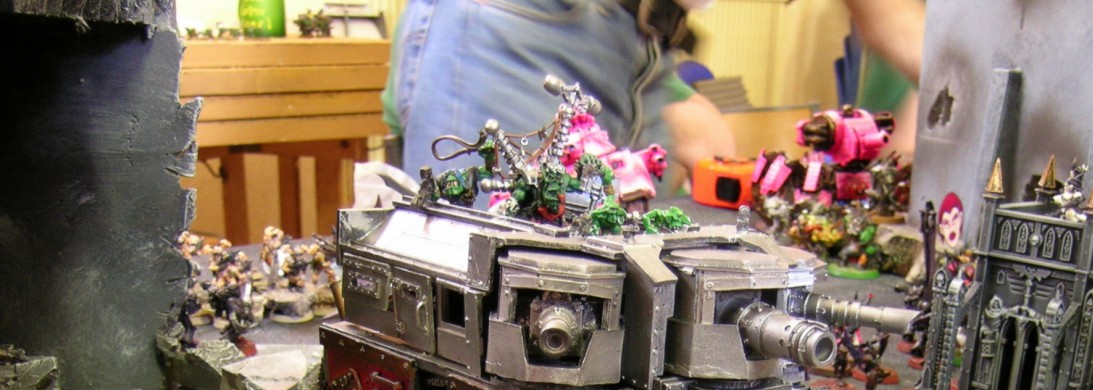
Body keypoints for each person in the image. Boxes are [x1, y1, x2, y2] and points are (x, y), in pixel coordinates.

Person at [385, 0, 924, 195]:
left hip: (640, 38)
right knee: (505, 306)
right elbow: (895, 25)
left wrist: (662, 81)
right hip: (528, 26)